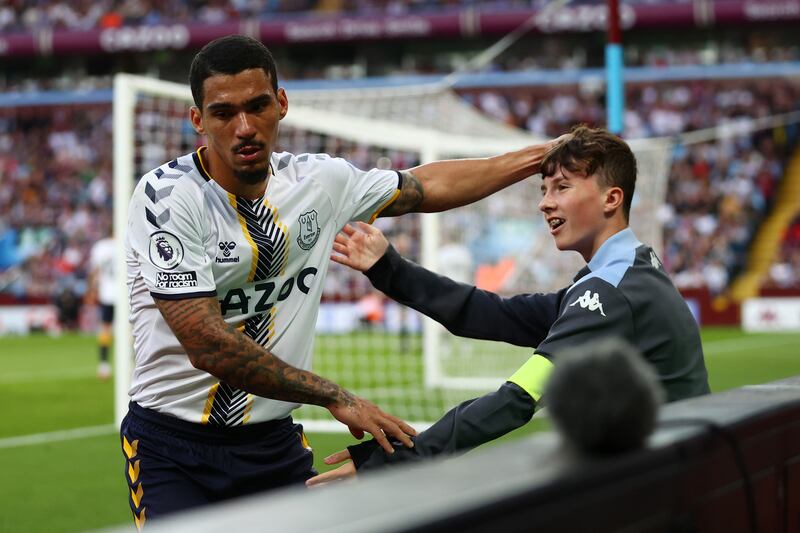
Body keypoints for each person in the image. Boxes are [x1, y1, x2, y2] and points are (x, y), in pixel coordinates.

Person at [121, 34, 560, 526]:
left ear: (281, 104)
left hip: (272, 441)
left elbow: (424, 185)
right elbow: (206, 344)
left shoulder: (319, 182)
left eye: (258, 106)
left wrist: (542, 156)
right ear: (198, 120)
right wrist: (336, 396)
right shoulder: (167, 197)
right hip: (174, 449)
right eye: (224, 113)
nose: (244, 127)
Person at [306, 125, 710, 485]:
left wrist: (394, 462)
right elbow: (494, 316)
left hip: (668, 484)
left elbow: (519, 398)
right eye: (544, 190)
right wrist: (387, 267)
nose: (545, 203)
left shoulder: (610, 291)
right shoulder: (626, 272)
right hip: (676, 469)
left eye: (562, 187)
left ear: (612, 199)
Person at [86, 234, 116, 380]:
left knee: (105, 329)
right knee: (133, 331)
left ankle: (104, 366)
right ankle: (135, 364)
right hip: (125, 294)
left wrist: (91, 289)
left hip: (107, 294)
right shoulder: (127, 241)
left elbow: (94, 271)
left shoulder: (100, 247)